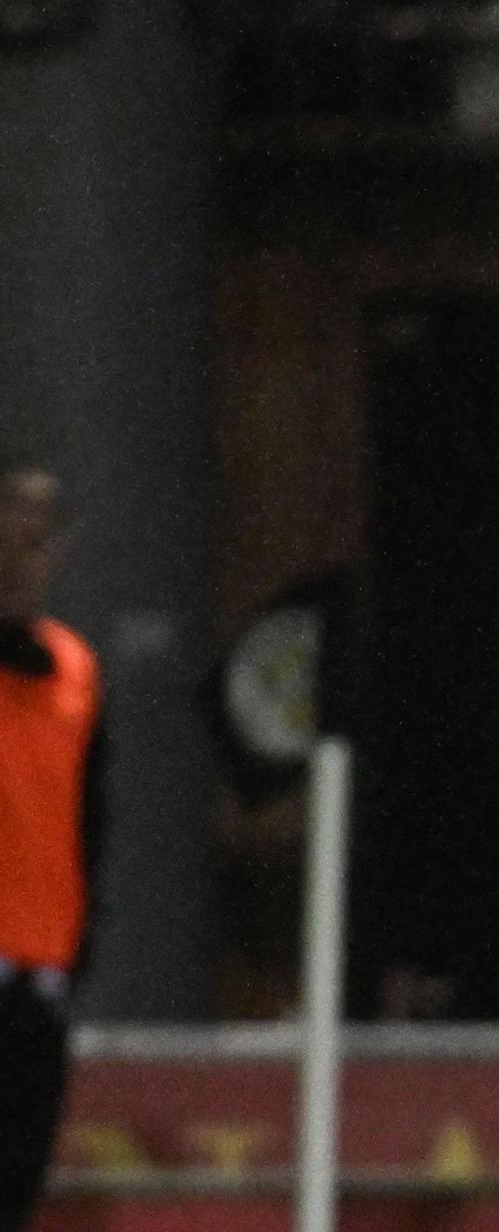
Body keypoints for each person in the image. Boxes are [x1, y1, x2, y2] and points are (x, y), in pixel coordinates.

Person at [0, 454, 108, 1232]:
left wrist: (79, 943)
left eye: (41, 536)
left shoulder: (75, 667)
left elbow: (90, 813)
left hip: (40, 970)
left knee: (18, 1182)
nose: (24, 551)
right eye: (11, 525)